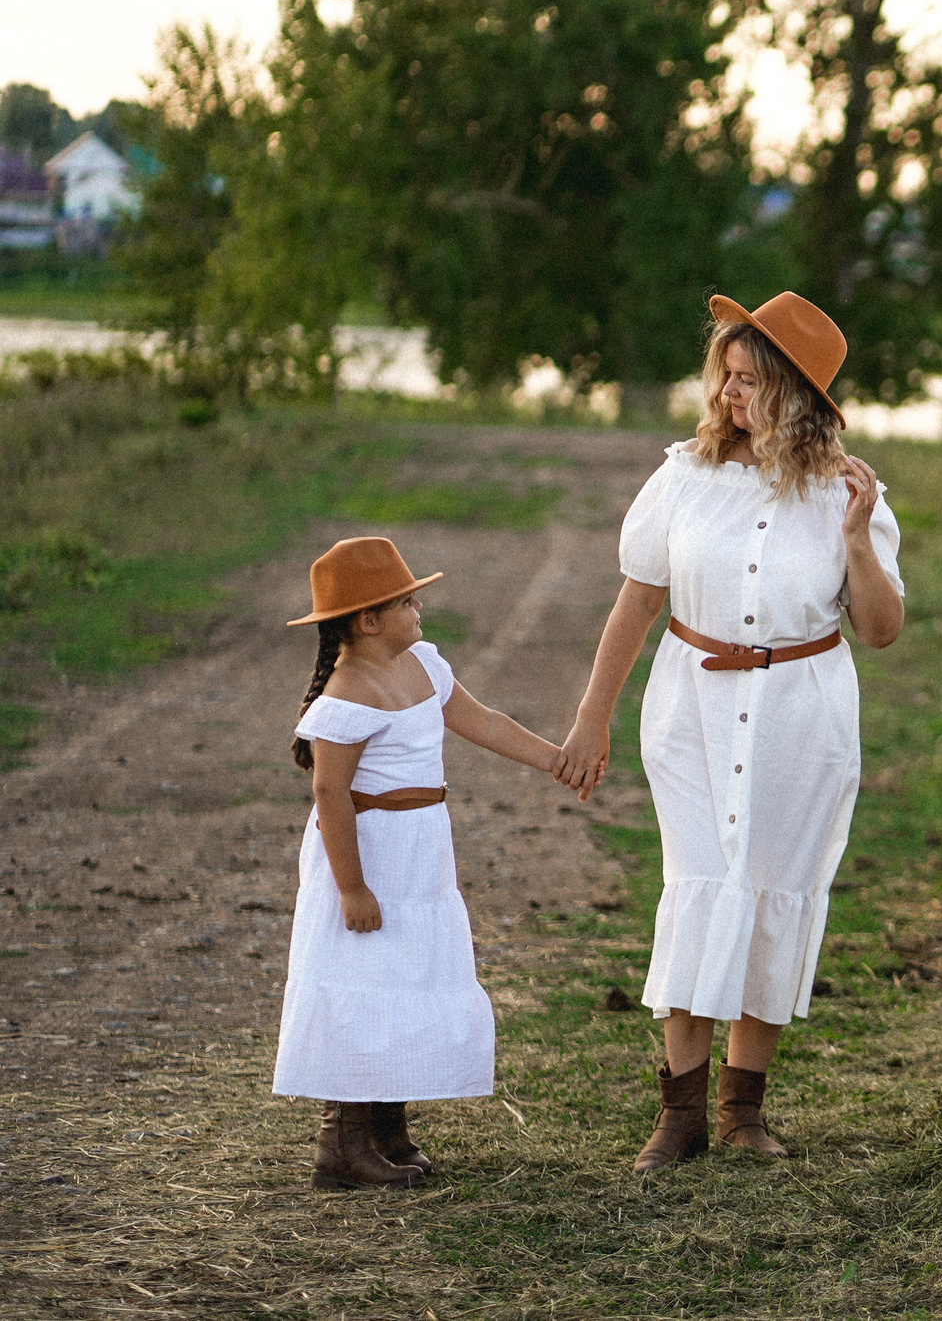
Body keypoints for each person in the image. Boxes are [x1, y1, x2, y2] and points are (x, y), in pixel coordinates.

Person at [562, 291, 903, 1172]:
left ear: (796, 395)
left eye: (751, 380)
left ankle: (743, 1111)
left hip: (804, 711)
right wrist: (592, 717)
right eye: (727, 375)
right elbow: (636, 601)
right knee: (704, 881)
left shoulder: (848, 493)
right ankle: (678, 1118)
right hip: (692, 712)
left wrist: (860, 541)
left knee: (775, 888)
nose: (729, 393)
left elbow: (881, 627)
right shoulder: (682, 474)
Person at [273, 537, 578, 1189]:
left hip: (418, 855)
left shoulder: (424, 664)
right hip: (367, 853)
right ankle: (343, 1138)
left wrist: (553, 757)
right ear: (367, 619)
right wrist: (351, 887)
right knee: (362, 979)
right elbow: (330, 793)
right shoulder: (346, 695)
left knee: (404, 975)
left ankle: (387, 1126)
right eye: (408, 602)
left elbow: (486, 722)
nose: (420, 611)